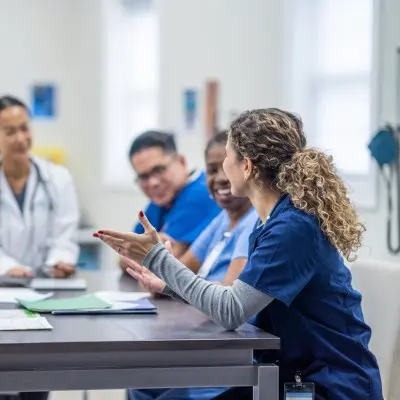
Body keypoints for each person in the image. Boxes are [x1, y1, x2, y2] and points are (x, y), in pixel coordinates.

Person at [96, 108, 384, 400]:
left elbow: (231, 310)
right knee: (155, 389)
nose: (222, 167)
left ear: (246, 166)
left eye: (226, 157)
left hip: (329, 385)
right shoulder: (272, 222)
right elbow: (243, 299)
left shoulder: (292, 228)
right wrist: (170, 284)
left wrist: (157, 258)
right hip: (289, 374)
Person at [130, 131, 258, 400]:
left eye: (228, 167)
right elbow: (176, 269)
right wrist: (164, 276)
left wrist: (167, 277)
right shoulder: (224, 219)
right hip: (205, 337)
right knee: (139, 385)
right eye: (213, 169)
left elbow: (228, 294)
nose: (221, 178)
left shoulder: (254, 223)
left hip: (233, 351)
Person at [0, 95, 80, 280]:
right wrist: (8, 268)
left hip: (48, 284)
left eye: (24, 128)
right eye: (10, 131)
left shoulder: (59, 178)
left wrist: (59, 261)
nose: (20, 138)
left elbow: (65, 235)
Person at [124, 130, 221, 264]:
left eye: (159, 170)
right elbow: (125, 252)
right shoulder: (162, 200)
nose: (153, 182)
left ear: (181, 162)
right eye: (143, 177)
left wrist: (136, 250)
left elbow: (165, 263)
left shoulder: (200, 193)